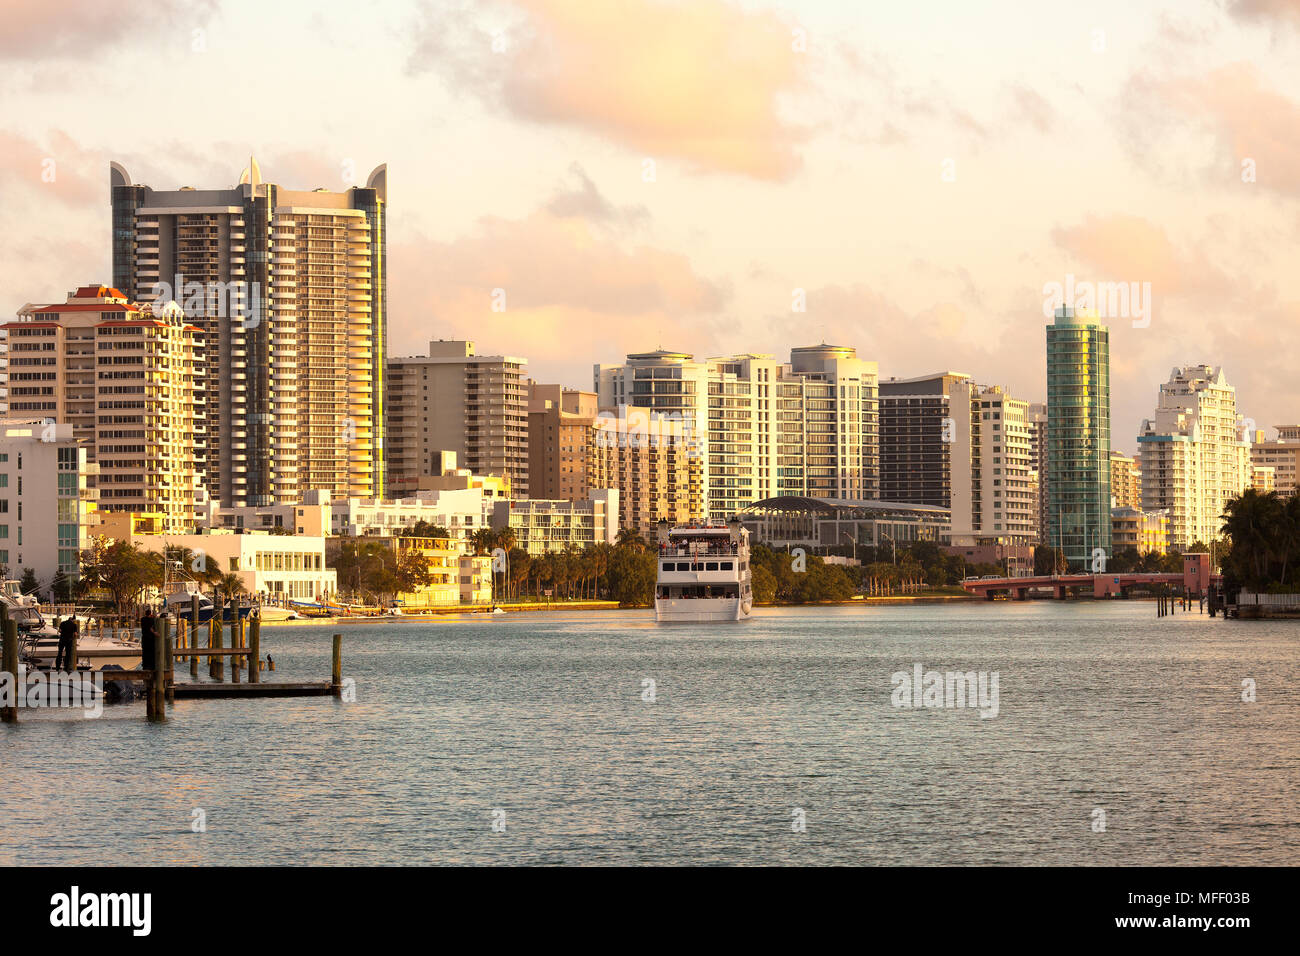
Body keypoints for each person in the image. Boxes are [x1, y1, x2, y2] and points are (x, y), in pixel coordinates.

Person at [140, 606, 158, 671]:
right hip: (150, 638)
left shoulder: (142, 619)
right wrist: (155, 633)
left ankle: (145, 666)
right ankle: (151, 666)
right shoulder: (151, 620)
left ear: (145, 613)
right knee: (151, 652)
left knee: (145, 653)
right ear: (150, 614)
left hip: (144, 638)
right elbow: (150, 628)